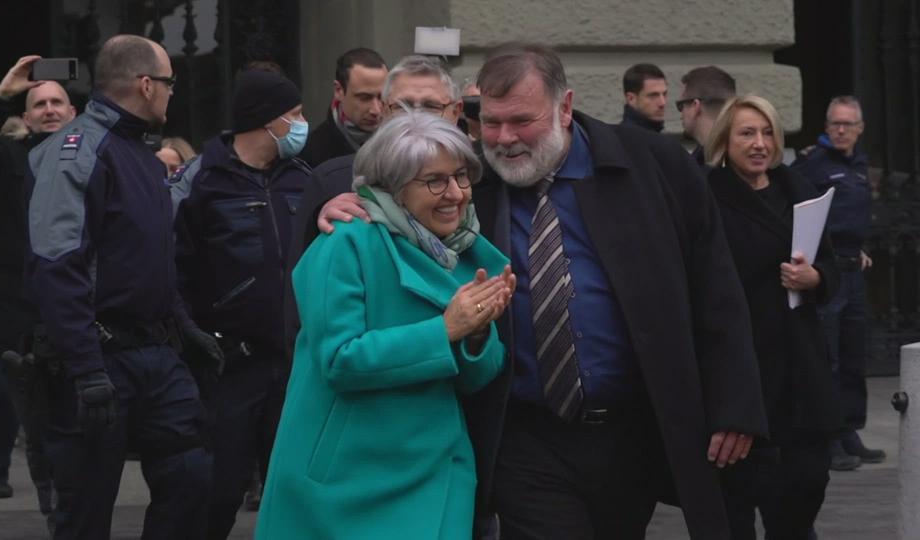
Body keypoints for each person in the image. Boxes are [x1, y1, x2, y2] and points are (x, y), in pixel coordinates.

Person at [318, 42, 767, 539]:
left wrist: (735, 402)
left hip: (633, 431)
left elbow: (717, 289)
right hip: (522, 434)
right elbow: (397, 205)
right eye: (490, 122)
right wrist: (347, 206)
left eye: (521, 121)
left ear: (565, 107)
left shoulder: (653, 167)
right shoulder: (466, 184)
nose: (504, 138)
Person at [256, 111, 514, 539]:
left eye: (461, 177)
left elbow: (479, 379)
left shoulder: (470, 253)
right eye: (435, 180)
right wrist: (445, 330)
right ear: (394, 186)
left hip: (436, 470)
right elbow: (340, 359)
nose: (455, 194)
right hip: (347, 480)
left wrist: (479, 332)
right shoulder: (346, 242)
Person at [25, 35, 218, 539]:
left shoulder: (140, 154)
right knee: (86, 511)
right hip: (97, 359)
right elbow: (58, 263)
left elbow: (144, 258)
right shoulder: (78, 151)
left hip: (154, 353)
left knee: (191, 478)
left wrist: (184, 326)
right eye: (170, 83)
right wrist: (85, 368)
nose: (174, 94)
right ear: (147, 85)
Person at [169, 67, 311, 540]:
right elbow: (174, 269)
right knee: (217, 493)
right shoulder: (203, 181)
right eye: (294, 114)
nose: (301, 123)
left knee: (290, 493)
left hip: (290, 363)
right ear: (265, 120)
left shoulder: (303, 180)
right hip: (228, 367)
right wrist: (195, 340)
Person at [705, 94, 842, 539]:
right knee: (737, 502)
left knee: (805, 487)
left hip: (801, 370)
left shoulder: (800, 191)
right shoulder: (707, 198)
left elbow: (833, 269)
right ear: (725, 141)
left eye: (768, 133)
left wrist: (815, 277)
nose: (760, 143)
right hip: (743, 370)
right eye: (747, 133)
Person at [282, 54, 463, 355]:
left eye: (430, 106)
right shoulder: (335, 182)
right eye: (401, 106)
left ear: (455, 112)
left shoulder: (473, 185)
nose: (414, 116)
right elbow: (303, 311)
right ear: (384, 111)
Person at [0, 56, 77, 511]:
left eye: (57, 102)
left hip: (75, 307)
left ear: (72, 112)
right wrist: (0, 96)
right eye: (39, 103)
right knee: (7, 399)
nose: (48, 109)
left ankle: (64, 498)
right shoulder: (7, 158)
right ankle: (47, 498)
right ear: (26, 117)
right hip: (14, 308)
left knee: (69, 415)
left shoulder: (92, 158)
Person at [792, 95, 884, 471]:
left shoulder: (860, 167)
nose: (842, 130)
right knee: (825, 359)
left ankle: (849, 432)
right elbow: (801, 215)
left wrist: (858, 247)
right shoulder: (812, 164)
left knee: (851, 357)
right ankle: (826, 439)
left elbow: (852, 218)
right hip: (826, 274)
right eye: (836, 124)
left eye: (849, 124)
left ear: (860, 130)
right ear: (827, 126)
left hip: (853, 271)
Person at [298, 47, 387, 167]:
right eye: (364, 98)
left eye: (382, 97)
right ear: (339, 90)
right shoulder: (312, 154)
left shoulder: (400, 142)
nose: (376, 110)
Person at [677, 66, 737, 168]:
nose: (681, 112)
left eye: (681, 105)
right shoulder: (746, 158)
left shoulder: (693, 168)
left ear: (695, 106)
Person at [621, 63, 668, 132]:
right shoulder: (621, 140)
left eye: (664, 94)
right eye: (653, 95)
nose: (662, 103)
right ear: (631, 99)